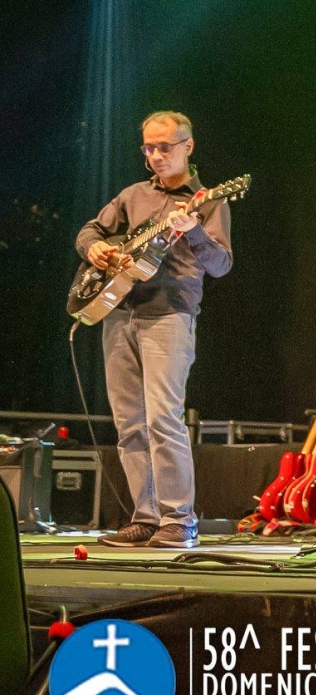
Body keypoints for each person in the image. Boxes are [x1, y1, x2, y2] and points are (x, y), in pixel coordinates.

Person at [76, 111, 234, 549]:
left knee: (162, 418)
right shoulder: (133, 195)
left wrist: (194, 230)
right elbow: (89, 230)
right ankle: (146, 518)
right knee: (129, 423)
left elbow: (221, 264)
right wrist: (96, 248)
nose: (156, 155)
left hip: (169, 315)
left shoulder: (208, 201)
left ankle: (179, 521)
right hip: (119, 313)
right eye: (148, 147)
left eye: (165, 147)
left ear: (188, 146)